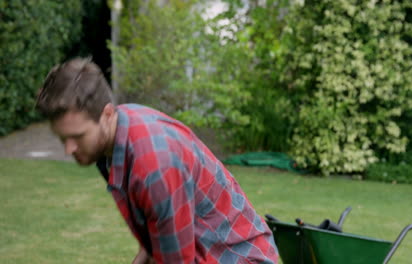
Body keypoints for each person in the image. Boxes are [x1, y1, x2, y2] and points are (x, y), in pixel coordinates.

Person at [35, 57, 279, 264]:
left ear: (107, 114)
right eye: (62, 138)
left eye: (78, 136)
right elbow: (156, 233)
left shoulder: (154, 167)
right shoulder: (113, 138)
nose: (69, 149)